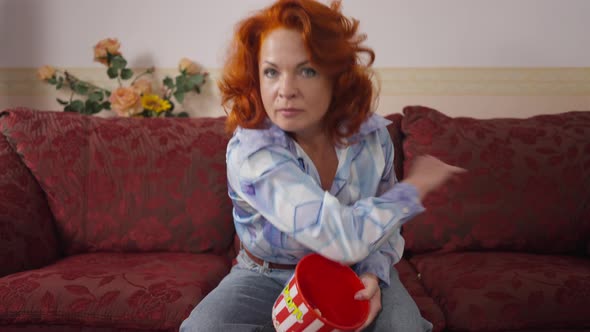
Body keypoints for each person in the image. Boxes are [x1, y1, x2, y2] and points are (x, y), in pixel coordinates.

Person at [180, 0, 465, 331]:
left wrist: (373, 271)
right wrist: (414, 187)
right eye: (271, 71)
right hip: (266, 275)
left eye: (307, 70)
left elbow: (383, 233)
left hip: (355, 271)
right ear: (256, 78)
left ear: (335, 76)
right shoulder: (252, 151)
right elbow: (340, 238)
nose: (285, 90)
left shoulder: (373, 137)